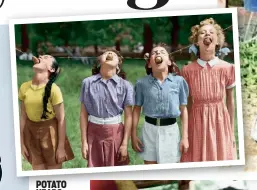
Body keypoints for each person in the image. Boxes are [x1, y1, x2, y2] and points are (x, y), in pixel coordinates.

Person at [181, 18, 236, 162]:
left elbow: (230, 102)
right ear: (196, 42)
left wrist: (232, 132)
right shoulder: (187, 70)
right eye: (202, 33)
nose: (207, 35)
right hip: (197, 121)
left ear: (217, 41)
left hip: (220, 121)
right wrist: (186, 134)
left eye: (211, 32)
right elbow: (187, 105)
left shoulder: (227, 68)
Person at [132, 43, 189, 164]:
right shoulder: (142, 83)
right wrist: (133, 134)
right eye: (154, 53)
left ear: (169, 62)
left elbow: (183, 110)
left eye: (162, 52)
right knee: (150, 170)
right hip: (149, 130)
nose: (158, 54)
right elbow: (136, 109)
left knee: (170, 171)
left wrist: (185, 137)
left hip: (171, 131)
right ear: (149, 63)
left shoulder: (179, 81)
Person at [80, 49, 134, 167]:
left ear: (119, 63)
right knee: (96, 176)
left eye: (114, 54)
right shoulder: (87, 83)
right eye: (106, 53)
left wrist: (124, 144)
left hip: (115, 132)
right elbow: (83, 114)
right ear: (100, 60)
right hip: (93, 132)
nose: (110, 54)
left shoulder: (126, 85)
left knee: (117, 177)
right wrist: (84, 142)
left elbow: (129, 116)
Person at [19, 55, 74, 170]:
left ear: (51, 69)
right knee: (38, 176)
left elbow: (61, 119)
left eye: (46, 57)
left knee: (53, 176)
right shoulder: (24, 87)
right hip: (31, 134)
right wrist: (21, 143)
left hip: (51, 134)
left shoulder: (54, 90)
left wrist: (60, 147)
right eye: (41, 56)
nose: (40, 56)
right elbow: (23, 116)